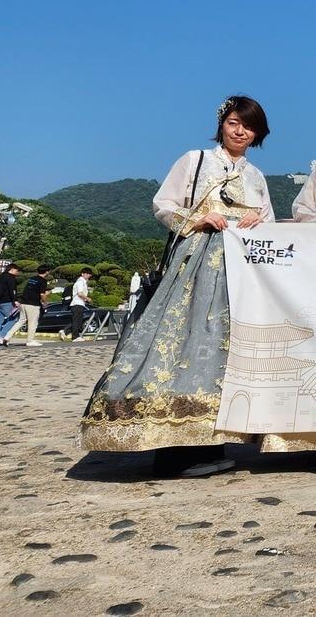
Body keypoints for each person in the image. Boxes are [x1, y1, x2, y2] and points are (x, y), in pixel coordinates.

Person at [81, 95, 275, 477]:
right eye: (234, 122)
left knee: (223, 350)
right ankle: (172, 446)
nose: (240, 131)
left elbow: (267, 219)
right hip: (195, 263)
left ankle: (209, 441)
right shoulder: (194, 160)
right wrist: (201, 218)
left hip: (240, 269)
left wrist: (257, 221)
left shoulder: (256, 176)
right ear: (222, 123)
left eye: (249, 126)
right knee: (183, 340)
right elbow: (163, 203)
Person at [16, 265, 50, 347]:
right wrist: (45, 301)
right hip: (33, 304)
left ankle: (6, 337)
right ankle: (30, 340)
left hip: (24, 302)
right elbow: (42, 294)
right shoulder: (43, 281)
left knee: (20, 321)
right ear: (47, 272)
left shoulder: (32, 279)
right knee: (33, 323)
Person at [69, 268, 93, 341]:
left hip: (79, 303)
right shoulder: (80, 282)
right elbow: (80, 293)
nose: (87, 275)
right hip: (77, 303)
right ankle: (75, 336)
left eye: (89, 274)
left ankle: (65, 331)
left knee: (77, 320)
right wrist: (87, 298)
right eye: (86, 273)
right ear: (82, 274)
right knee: (77, 321)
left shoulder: (83, 282)